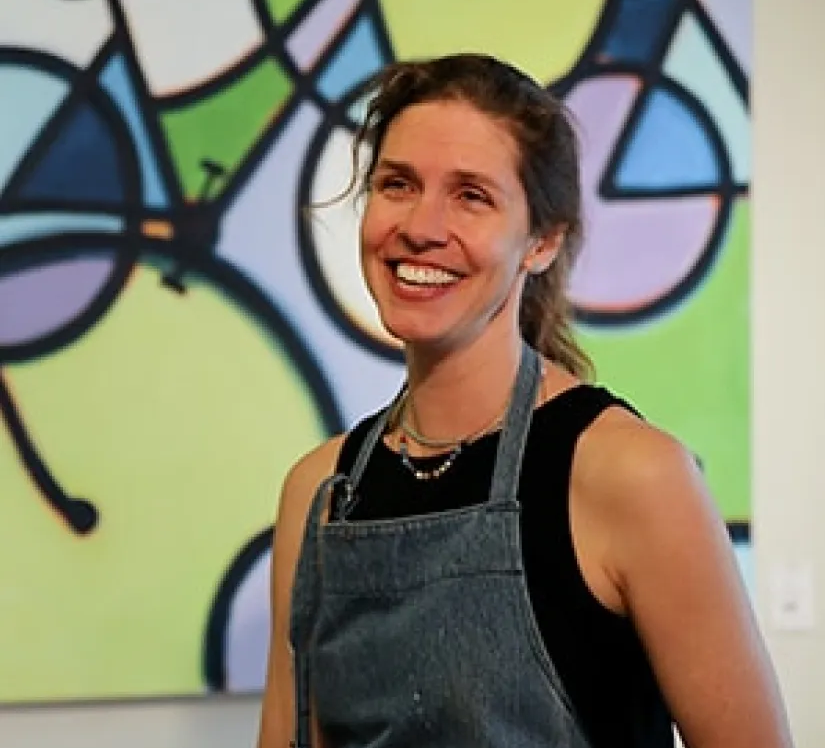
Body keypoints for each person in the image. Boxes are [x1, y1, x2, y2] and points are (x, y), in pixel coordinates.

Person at [256, 53, 793, 748]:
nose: (421, 225)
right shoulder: (318, 493)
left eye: (471, 194)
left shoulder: (633, 476)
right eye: (397, 183)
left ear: (542, 241)